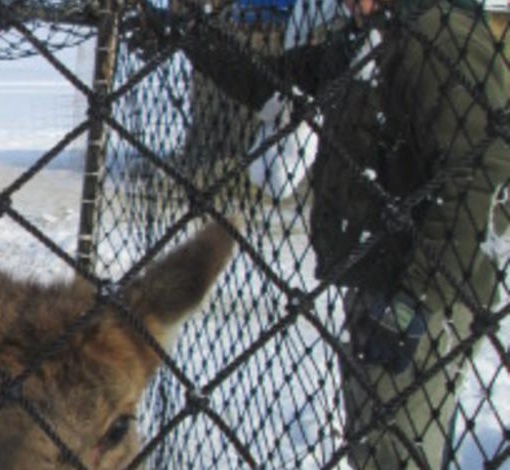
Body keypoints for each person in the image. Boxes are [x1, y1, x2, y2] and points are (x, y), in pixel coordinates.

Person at [125, 0, 508, 467]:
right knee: (374, 437)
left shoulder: (440, 36)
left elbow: (482, 172)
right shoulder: (368, 38)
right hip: (381, 277)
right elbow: (269, 81)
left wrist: (415, 299)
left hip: (425, 293)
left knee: (394, 446)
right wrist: (186, 37)